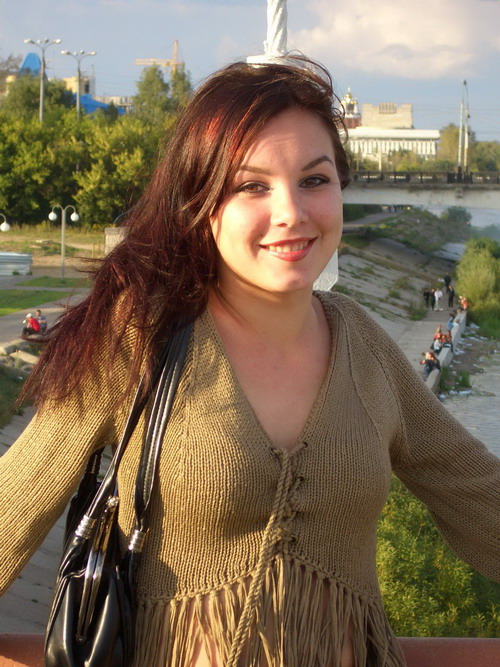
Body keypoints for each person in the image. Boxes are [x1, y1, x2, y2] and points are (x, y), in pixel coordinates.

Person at [1, 56, 499, 667]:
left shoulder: (364, 346)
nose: (291, 212)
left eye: (315, 180)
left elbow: (478, 497)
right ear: (202, 203)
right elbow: (11, 511)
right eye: (251, 186)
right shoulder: (139, 339)